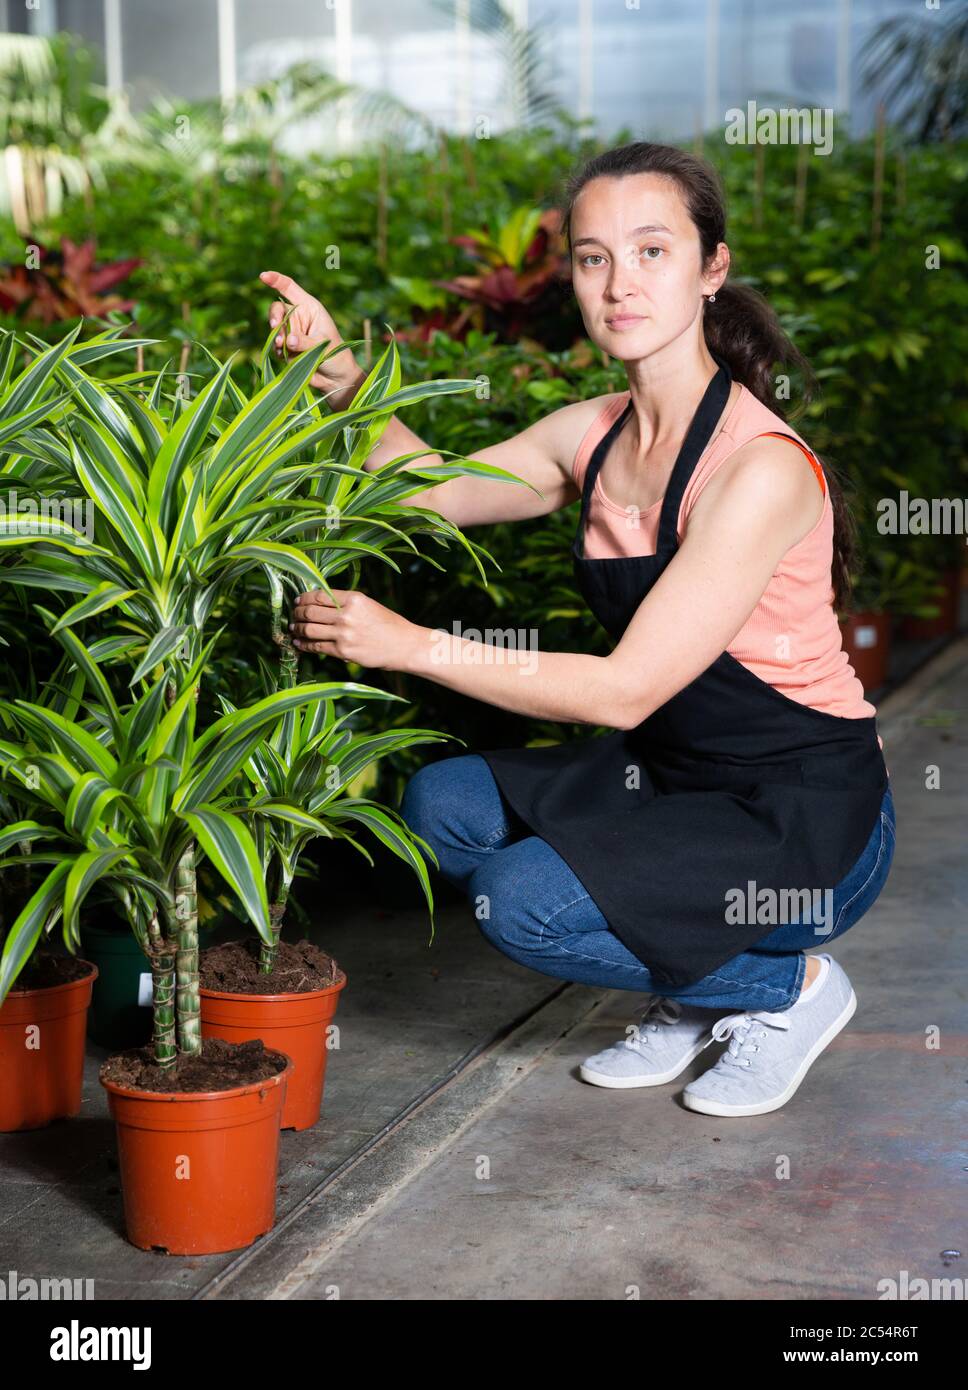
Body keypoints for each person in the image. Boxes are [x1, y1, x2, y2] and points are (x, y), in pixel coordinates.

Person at [264, 139, 895, 1120]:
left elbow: (623, 689)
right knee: (442, 805)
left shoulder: (756, 468)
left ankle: (786, 991)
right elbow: (429, 489)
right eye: (593, 257)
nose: (618, 283)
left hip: (801, 815)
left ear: (710, 268)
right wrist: (341, 378)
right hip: (672, 774)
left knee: (517, 899)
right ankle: (699, 988)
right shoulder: (589, 433)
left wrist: (406, 643)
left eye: (651, 251)